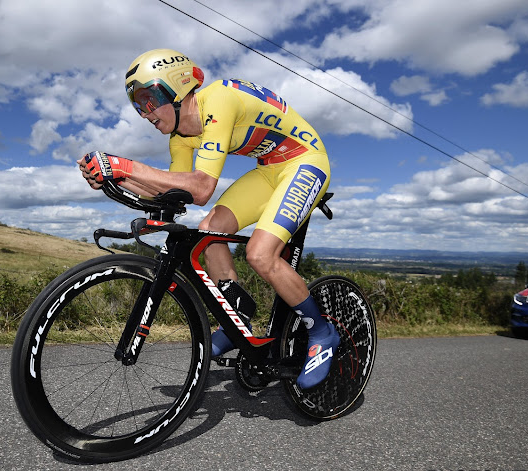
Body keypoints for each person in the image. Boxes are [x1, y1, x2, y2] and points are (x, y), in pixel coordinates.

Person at [78, 49, 339, 389]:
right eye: (137, 105)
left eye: (148, 99)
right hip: (269, 169)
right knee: (209, 231)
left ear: (175, 88)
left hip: (306, 161)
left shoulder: (219, 100)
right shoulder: (179, 138)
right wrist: (115, 179)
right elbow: (172, 193)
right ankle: (237, 320)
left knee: (260, 254)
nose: (145, 113)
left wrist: (125, 166)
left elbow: (201, 188)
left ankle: (321, 331)